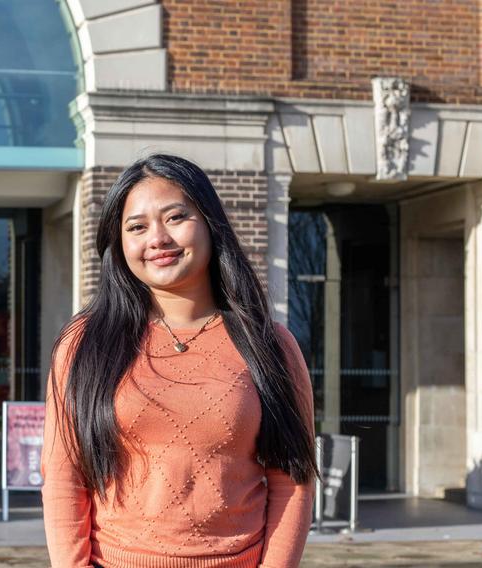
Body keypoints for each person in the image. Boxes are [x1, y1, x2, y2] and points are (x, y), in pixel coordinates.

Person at [42, 154, 317, 568]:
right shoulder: (84, 344)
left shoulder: (269, 345)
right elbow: (64, 479)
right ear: (120, 244)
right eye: (136, 227)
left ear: (209, 222)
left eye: (175, 217)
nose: (157, 239)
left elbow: (292, 481)